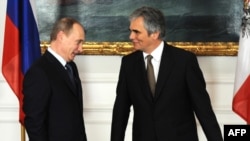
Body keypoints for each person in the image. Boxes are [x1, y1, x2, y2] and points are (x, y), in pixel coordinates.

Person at [111, 6, 223, 141]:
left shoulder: (184, 61)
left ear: (155, 33)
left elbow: (203, 110)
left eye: (136, 32)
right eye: (131, 31)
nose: (131, 36)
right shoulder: (128, 63)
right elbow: (120, 112)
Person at [23, 17, 87, 141]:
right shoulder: (39, 72)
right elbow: (35, 124)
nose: (81, 49)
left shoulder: (71, 67)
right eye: (78, 42)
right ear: (61, 36)